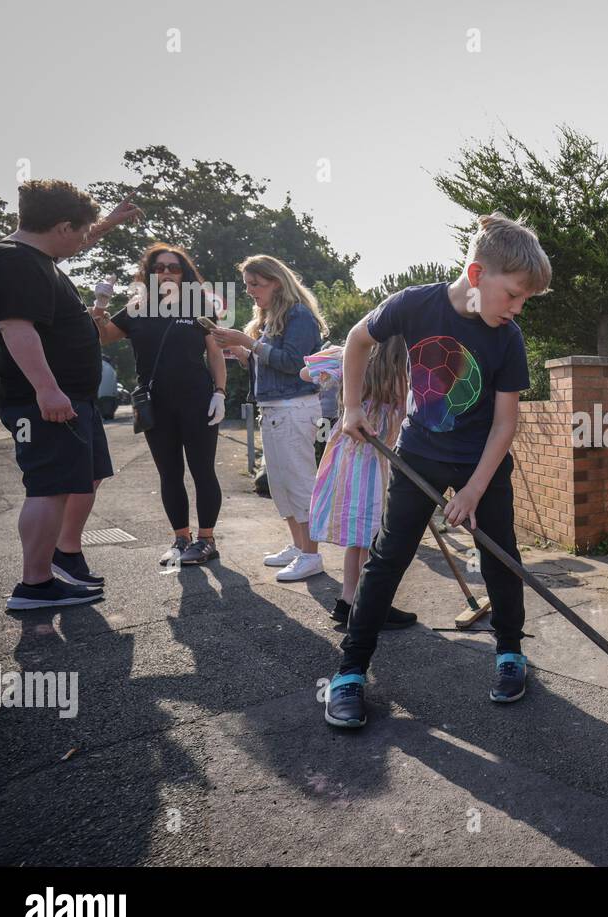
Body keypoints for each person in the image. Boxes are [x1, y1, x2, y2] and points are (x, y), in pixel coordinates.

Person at [323, 212, 550, 728]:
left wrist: (472, 490)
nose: (517, 309)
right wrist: (350, 406)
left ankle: (510, 654)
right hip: (419, 451)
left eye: (525, 301)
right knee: (389, 557)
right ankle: (350, 672)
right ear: (476, 276)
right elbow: (359, 339)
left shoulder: (507, 338)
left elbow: (505, 423)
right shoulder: (415, 305)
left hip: (481, 461)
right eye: (514, 295)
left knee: (501, 557)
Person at [0, 180, 140, 609]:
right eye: (82, 230)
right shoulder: (13, 263)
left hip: (72, 398)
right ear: (63, 226)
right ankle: (35, 585)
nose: (87, 239)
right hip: (42, 401)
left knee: (76, 480)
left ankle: (58, 563)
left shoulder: (36, 256)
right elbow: (17, 328)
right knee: (48, 488)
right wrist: (47, 391)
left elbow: (72, 243)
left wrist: (107, 224)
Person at [92, 243, 226, 565]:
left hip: (197, 400)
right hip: (155, 403)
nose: (166, 272)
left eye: (173, 267)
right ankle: (181, 539)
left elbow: (215, 351)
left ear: (184, 274)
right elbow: (102, 336)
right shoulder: (138, 307)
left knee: (202, 470)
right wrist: (100, 304)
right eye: (160, 267)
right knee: (169, 473)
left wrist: (220, 392)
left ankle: (207, 540)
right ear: (150, 274)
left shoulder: (198, 306)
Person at [212, 256, 327, 581]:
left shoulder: (298, 315)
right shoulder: (271, 316)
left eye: (255, 284)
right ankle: (298, 545)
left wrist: (247, 342)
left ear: (276, 281)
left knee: (299, 481)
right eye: (248, 284)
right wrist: (242, 354)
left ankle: (311, 554)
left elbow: (293, 363)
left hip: (294, 408)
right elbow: (271, 363)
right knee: (280, 483)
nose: (249, 291)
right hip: (276, 408)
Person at [303, 342, 417, 630]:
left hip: (348, 461)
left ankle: (348, 601)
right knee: (371, 537)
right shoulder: (403, 379)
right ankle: (369, 605)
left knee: (359, 538)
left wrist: (340, 358)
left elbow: (306, 373)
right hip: (375, 465)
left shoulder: (352, 360)